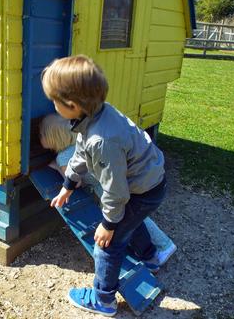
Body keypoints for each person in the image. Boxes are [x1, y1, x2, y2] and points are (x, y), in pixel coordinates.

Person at [41, 55, 172, 317]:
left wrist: (108, 224)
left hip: (139, 191)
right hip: (150, 182)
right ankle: (150, 257)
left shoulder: (102, 141)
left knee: (108, 244)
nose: (53, 106)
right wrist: (69, 184)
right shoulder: (95, 115)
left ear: (71, 104)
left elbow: (115, 191)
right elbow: (80, 152)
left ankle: (103, 299)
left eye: (55, 101)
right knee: (131, 222)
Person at [39, 112, 177, 258]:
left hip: (107, 194)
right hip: (123, 185)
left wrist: (56, 166)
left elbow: (76, 182)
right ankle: (164, 243)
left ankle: (160, 248)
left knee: (129, 223)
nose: (39, 137)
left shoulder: (62, 158)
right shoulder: (82, 144)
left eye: (41, 134)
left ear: (51, 138)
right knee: (137, 219)